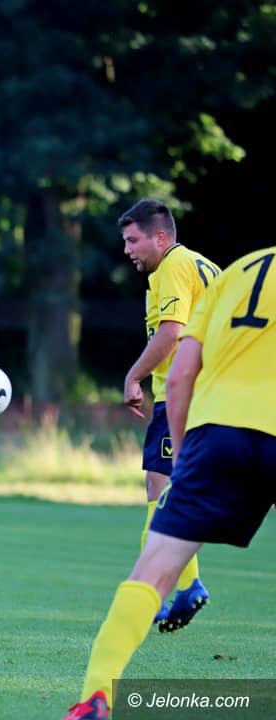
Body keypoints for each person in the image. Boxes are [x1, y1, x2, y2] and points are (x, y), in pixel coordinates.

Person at [63, 245, 276, 719]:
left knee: (152, 571)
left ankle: (95, 698)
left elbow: (180, 374)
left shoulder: (238, 272)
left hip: (215, 431)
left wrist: (183, 456)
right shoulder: (209, 268)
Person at [118, 198, 220, 630]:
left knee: (160, 490)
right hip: (206, 392)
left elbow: (172, 332)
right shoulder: (203, 265)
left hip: (184, 393)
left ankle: (160, 588)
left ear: (160, 237)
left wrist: (134, 375)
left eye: (132, 240)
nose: (127, 250)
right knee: (170, 487)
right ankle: (185, 585)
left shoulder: (174, 266)